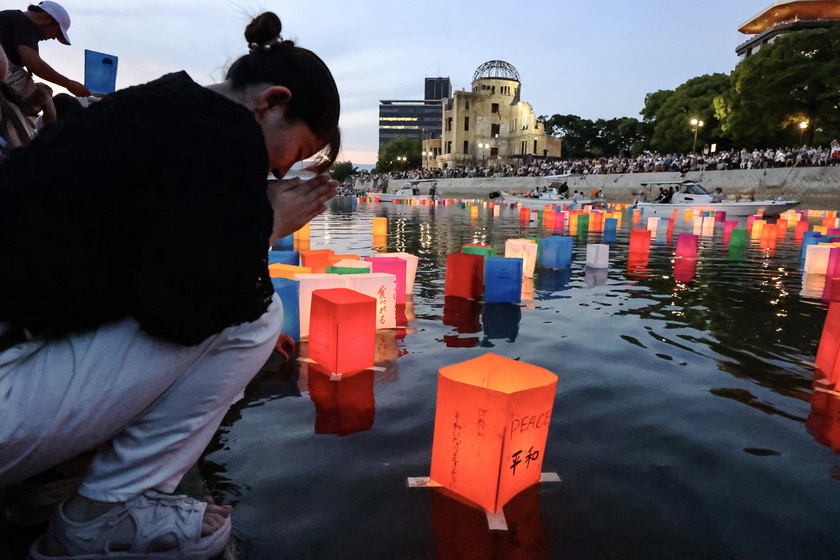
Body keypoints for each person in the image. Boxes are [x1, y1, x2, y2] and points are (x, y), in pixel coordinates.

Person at [0, 11, 339, 559]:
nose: (281, 174)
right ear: (272, 101)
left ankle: (72, 474)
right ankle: (103, 513)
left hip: (17, 358)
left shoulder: (162, 105)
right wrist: (266, 228)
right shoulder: (226, 134)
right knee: (255, 319)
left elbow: (131, 266)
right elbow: (180, 312)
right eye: (296, 152)